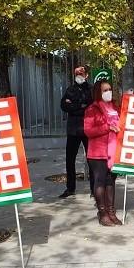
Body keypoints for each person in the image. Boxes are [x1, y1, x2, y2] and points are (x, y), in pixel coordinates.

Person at [84, 80, 122, 226]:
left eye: (109, 89)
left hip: (113, 151)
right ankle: (102, 213)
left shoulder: (115, 107)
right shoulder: (92, 109)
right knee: (99, 182)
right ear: (98, 92)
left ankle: (111, 212)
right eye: (105, 90)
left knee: (110, 182)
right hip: (98, 153)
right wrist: (108, 127)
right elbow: (88, 131)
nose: (108, 92)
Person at [59, 66, 93, 198]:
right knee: (70, 160)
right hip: (73, 130)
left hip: (87, 128)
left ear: (86, 75)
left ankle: (94, 189)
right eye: (77, 73)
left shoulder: (90, 90)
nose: (79, 75)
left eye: (81, 73)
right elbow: (64, 106)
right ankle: (70, 188)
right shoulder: (70, 89)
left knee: (92, 159)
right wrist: (81, 106)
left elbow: (90, 107)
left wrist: (73, 106)